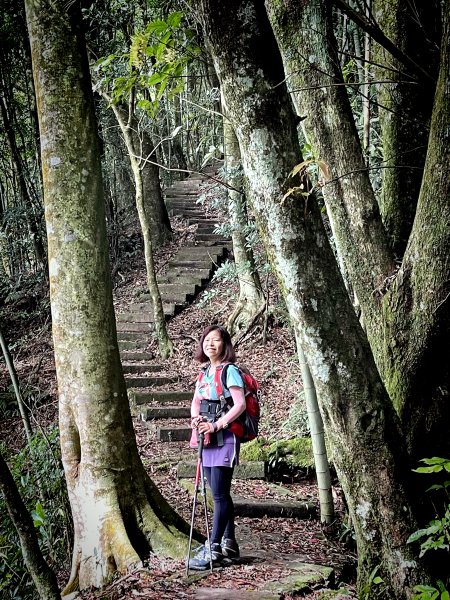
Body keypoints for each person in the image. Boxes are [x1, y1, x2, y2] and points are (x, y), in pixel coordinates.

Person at [188, 324, 246, 570]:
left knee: (220, 494)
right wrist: (196, 420)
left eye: (216, 340)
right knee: (218, 493)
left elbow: (240, 404)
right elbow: (196, 401)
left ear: (225, 345)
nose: (210, 344)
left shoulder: (229, 371)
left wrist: (218, 424)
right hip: (207, 437)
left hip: (225, 437)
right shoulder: (204, 373)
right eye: (207, 340)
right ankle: (229, 543)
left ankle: (213, 547)